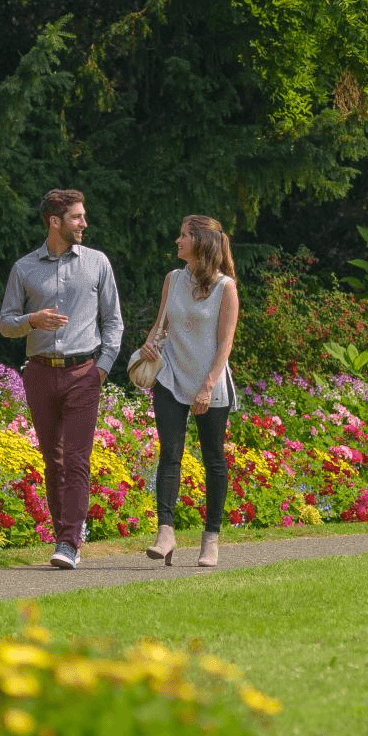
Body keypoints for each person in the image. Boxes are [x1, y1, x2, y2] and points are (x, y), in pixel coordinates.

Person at [0, 188, 124, 569]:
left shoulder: (97, 263)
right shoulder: (24, 268)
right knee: (52, 461)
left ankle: (70, 543)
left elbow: (113, 322)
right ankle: (63, 537)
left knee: (76, 459)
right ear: (55, 222)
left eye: (83, 217)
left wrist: (102, 368)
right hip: (39, 373)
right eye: (76, 217)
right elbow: (6, 324)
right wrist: (32, 321)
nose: (84, 223)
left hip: (84, 373)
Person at [137, 215, 239, 568]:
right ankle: (165, 533)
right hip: (170, 376)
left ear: (201, 243)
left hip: (209, 383)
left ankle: (210, 539)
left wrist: (208, 386)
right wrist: (150, 346)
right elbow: (160, 326)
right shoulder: (173, 279)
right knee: (170, 453)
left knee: (213, 458)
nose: (177, 241)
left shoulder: (226, 288)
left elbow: (225, 344)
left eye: (183, 236)